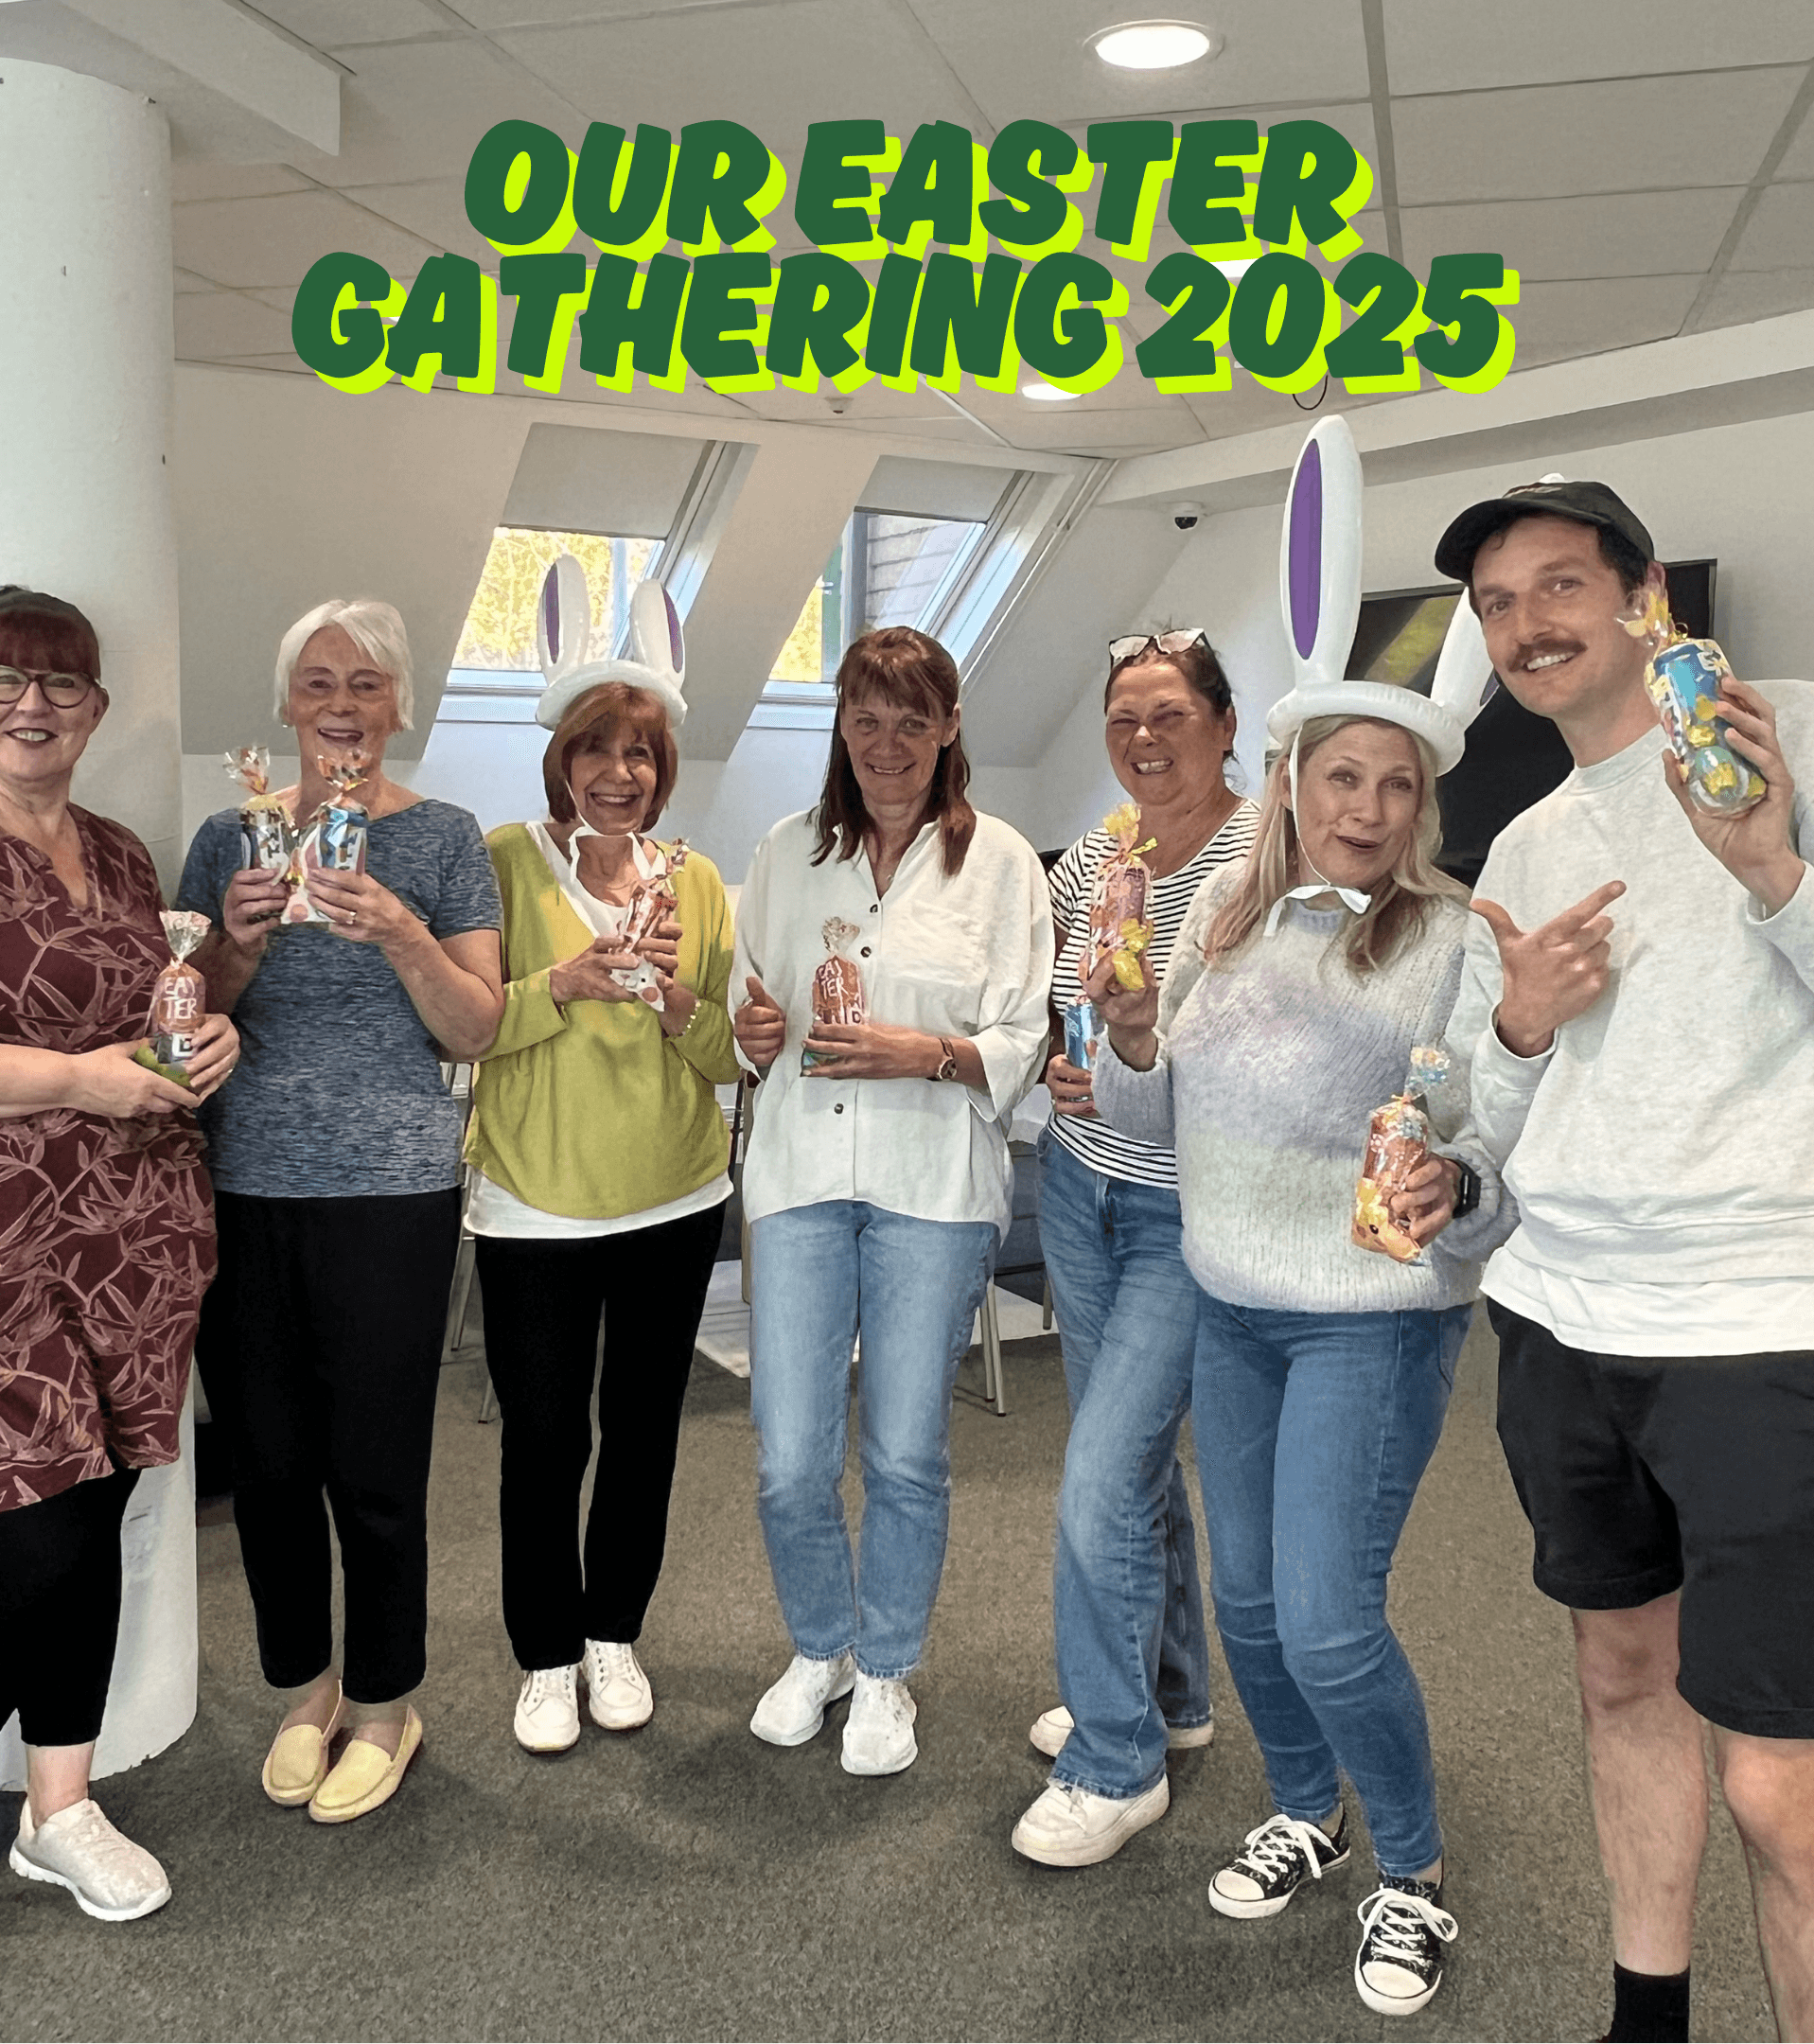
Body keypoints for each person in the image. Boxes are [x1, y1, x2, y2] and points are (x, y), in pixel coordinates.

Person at [1436, 478, 1814, 2044]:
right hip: (1568, 1323)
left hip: (1776, 1325)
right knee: (1618, 1688)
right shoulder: (1524, 840)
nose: (1530, 624)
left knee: (1785, 1785)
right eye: (1499, 604)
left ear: (1646, 593)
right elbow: (1479, 1105)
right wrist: (1520, 1022)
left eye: (1561, 583)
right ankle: (1646, 2021)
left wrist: (1774, 870)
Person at [1088, 689, 1510, 2018]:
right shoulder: (1229, 922)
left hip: (1367, 1319)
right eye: (1341, 779)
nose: (1366, 812)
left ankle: (1412, 1870)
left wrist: (1459, 1178)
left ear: (1421, 803)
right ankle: (1301, 1809)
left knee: (1329, 1620)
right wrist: (1130, 1031)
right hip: (1232, 1303)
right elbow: (1151, 1111)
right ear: (1289, 784)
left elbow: (1492, 1130)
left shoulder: (1448, 939)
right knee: (1252, 1606)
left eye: (1394, 786)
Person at [0, 586, 238, 1995]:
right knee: (14, 1551)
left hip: (130, 1244)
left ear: (96, 707)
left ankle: (58, 1809)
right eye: (4, 679)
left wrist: (192, 1044)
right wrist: (78, 1083)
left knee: (90, 1530)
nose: (32, 705)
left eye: (62, 686)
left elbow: (136, 1024)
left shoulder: (114, 846)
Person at [179, 599, 502, 1825]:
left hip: (392, 1188)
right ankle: (304, 1688)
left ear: (400, 706)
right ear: (287, 706)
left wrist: (402, 930)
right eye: (318, 682)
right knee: (267, 1463)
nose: (341, 705)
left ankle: (383, 1705)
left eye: (366, 684)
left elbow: (476, 1024)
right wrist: (241, 946)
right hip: (243, 1182)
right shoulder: (231, 838)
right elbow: (183, 1009)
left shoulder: (444, 840)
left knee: (375, 1466)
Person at [731, 626, 1053, 1777]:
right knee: (789, 1456)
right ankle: (820, 1647)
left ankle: (886, 1670)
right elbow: (752, 1011)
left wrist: (932, 1052)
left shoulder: (1002, 864)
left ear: (950, 727)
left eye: (913, 718)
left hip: (931, 1185)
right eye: (866, 717)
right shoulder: (785, 852)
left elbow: (1025, 1034)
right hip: (804, 1178)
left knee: (907, 1450)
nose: (887, 742)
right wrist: (752, 1032)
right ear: (840, 726)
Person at [1011, 628, 1259, 1869]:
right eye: (1125, 719)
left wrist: (1145, 1050)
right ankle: (1170, 1695)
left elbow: (1268, 1046)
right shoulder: (1095, 857)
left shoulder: (1262, 856)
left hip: (1188, 1209)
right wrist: (1067, 1064)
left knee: (1101, 1478)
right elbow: (1072, 1003)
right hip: (1082, 1190)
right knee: (1136, 1471)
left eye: (1170, 715)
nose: (1146, 739)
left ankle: (1114, 1761)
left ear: (1222, 723)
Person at [464, 635, 737, 1755]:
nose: (618, 773)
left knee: (642, 1431)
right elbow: (470, 1023)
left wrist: (673, 999)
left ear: (662, 770)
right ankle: (545, 1654)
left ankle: (614, 1631)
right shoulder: (500, 864)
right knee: (541, 1438)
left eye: (640, 754)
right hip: (535, 1200)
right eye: (596, 750)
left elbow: (725, 1055)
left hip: (673, 1194)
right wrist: (563, 983)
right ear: (561, 759)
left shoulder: (698, 880)